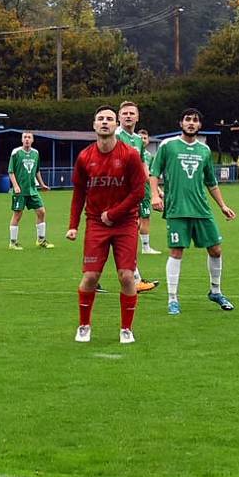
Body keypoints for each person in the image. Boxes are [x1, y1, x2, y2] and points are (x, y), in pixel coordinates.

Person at [66, 106, 147, 344]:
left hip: (124, 223)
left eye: (109, 119)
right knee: (90, 277)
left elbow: (138, 191)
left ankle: (126, 329)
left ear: (115, 125)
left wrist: (114, 213)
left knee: (126, 276)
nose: (104, 122)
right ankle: (84, 325)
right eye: (100, 119)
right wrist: (73, 225)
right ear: (94, 125)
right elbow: (79, 192)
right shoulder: (84, 157)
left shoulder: (130, 154)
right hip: (96, 224)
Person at [149, 108, 236, 316]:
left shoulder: (204, 150)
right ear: (181, 123)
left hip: (201, 209)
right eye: (187, 119)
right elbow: (154, 173)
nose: (191, 123)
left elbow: (211, 182)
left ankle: (215, 291)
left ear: (199, 126)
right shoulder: (167, 145)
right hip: (177, 209)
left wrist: (223, 206)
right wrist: (154, 195)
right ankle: (173, 299)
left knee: (216, 250)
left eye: (195, 120)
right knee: (177, 251)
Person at [115, 102, 159, 292]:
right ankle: (134, 279)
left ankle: (134, 278)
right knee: (124, 236)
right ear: (119, 116)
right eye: (124, 113)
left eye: (132, 113)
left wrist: (154, 191)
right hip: (117, 195)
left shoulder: (138, 140)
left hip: (132, 194)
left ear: (137, 117)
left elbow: (143, 166)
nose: (128, 116)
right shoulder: (116, 136)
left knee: (129, 232)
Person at [7, 131, 52, 250]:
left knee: (41, 212)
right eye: (25, 137)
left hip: (32, 189)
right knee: (17, 214)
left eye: (29, 137)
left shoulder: (35, 153)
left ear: (32, 140)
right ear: (22, 140)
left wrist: (42, 184)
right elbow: (11, 171)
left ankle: (41, 240)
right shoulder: (16, 153)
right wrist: (15, 186)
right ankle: (13, 242)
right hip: (20, 191)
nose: (27, 139)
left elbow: (37, 170)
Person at [137, 128, 162, 255]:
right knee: (140, 219)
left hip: (146, 192)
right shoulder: (132, 152)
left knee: (144, 218)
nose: (142, 140)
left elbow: (151, 176)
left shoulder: (149, 157)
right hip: (137, 191)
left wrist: (157, 191)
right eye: (140, 138)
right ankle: (145, 248)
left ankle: (144, 246)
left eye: (145, 138)